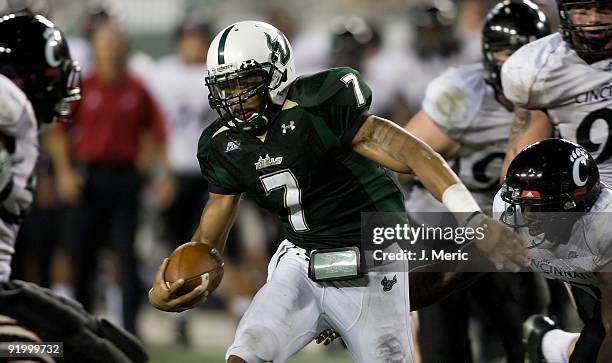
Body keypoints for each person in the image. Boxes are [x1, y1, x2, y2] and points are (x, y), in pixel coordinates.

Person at [148, 20, 528, 363]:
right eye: (224, 86)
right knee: (247, 352)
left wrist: (472, 217)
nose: (233, 98)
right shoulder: (220, 144)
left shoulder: (319, 104)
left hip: (373, 257)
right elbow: (208, 244)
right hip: (299, 258)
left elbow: (412, 151)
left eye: (244, 84)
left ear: (277, 74)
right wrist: (175, 287)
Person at [402, 1, 552, 362]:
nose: (516, 62)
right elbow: (403, 160)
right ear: (488, 54)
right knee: (444, 345)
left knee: (529, 333)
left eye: (527, 50)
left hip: (510, 226)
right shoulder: (460, 94)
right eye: (506, 51)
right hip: (440, 224)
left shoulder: (558, 95)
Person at [0, 11, 147, 362]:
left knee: (119, 349)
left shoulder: (18, 126)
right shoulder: (11, 105)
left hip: (4, 291)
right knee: (68, 354)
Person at [46, 22, 170, 335]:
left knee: (125, 256)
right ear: (95, 47)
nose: (111, 48)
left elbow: (155, 132)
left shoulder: (136, 88)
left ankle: (129, 329)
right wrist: (63, 172)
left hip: (125, 179)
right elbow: (59, 133)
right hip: (89, 178)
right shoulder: (82, 86)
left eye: (116, 41)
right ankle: (82, 327)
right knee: (81, 254)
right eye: (105, 42)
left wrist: (155, 168)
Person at [494, 138, 612, 363]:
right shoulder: (507, 210)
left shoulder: (603, 226)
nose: (527, 216)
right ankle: (549, 344)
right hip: (588, 281)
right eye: (525, 206)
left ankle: (548, 344)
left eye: (541, 208)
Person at [500, 0, 612, 184]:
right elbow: (520, 169)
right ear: (564, 11)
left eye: (604, 9)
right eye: (582, 10)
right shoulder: (539, 68)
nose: (594, 19)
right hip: (588, 194)